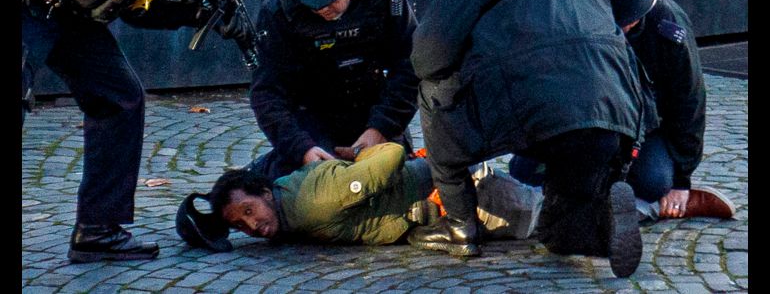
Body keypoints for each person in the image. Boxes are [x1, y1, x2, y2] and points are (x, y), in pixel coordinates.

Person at [21, 0, 260, 262]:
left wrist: (199, 14)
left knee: (119, 98)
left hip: (68, 9)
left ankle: (98, 231)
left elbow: (135, 8)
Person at [406, 0, 659, 278]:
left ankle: (460, 227)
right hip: (612, 122)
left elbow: (428, 57)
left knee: (434, 92)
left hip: (535, 110)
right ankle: (602, 223)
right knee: (558, 235)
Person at [248, 0, 420, 181]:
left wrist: (382, 127)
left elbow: (412, 65)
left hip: (374, 104)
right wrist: (301, 148)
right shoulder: (280, 8)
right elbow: (267, 92)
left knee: (397, 178)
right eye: (313, 3)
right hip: (312, 113)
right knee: (315, 185)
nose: (322, 9)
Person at [175, 143, 543, 250]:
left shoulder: (313, 202)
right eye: (241, 225)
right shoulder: (281, 198)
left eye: (249, 211)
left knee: (550, 218)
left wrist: (358, 154)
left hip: (468, 196)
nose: (253, 226)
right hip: (451, 196)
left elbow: (391, 155)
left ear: (264, 192)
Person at [589, 0, 735, 221]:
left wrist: (681, 181)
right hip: (600, 116)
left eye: (623, 24)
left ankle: (659, 205)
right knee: (527, 170)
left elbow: (689, 102)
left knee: (654, 181)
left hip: (647, 126)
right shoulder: (588, 14)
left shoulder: (669, 29)